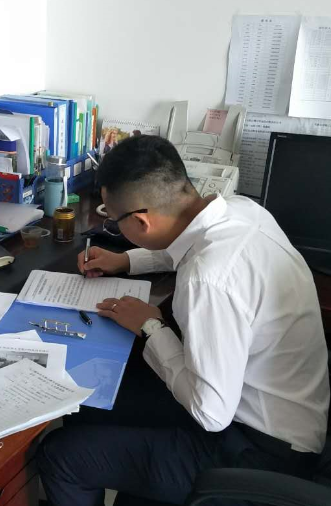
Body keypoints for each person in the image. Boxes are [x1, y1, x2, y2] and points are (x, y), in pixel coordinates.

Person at [38, 135, 329, 506]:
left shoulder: (208, 280)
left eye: (112, 218)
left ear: (140, 220)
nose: (113, 225)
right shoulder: (241, 210)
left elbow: (211, 413)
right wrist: (126, 260)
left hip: (254, 451)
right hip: (282, 411)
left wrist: (151, 327)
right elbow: (185, 244)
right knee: (92, 403)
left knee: (62, 456)